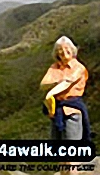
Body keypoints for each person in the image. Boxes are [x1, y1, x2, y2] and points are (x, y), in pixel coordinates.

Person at [40, 36, 90, 174]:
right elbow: (43, 84)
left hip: (72, 110)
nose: (63, 52)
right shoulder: (54, 67)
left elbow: (68, 82)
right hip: (56, 111)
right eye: (60, 50)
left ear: (73, 50)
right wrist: (54, 85)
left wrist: (50, 93)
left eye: (66, 49)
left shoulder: (78, 67)